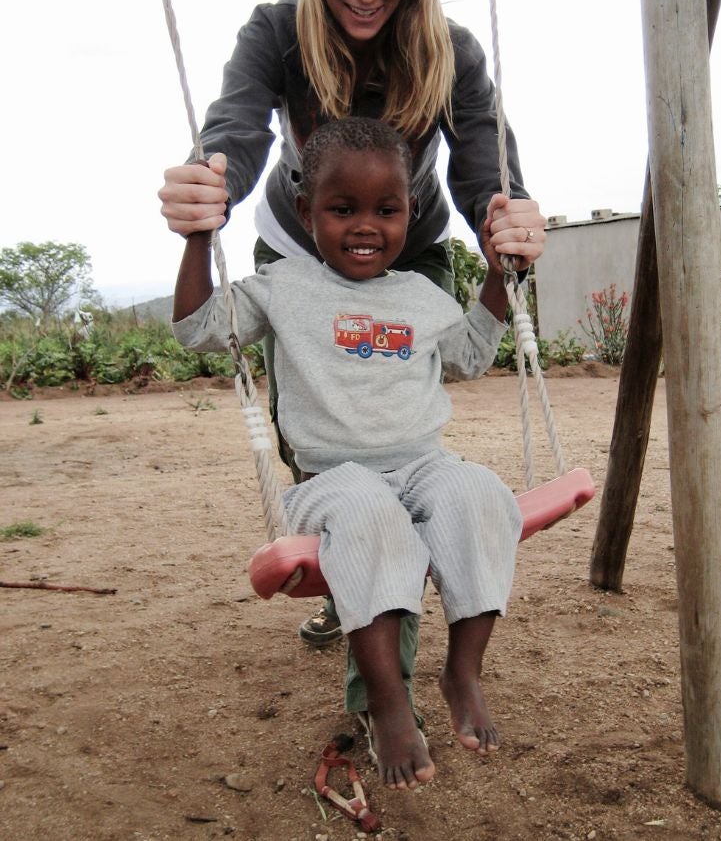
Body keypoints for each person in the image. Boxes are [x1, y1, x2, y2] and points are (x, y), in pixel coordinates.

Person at [158, 0, 544, 666]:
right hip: (296, 246)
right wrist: (209, 181)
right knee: (323, 438)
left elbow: (484, 159)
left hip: (417, 245)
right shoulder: (278, 31)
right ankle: (353, 575)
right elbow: (237, 124)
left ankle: (385, 663)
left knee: (399, 418)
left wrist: (507, 216)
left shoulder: (447, 49)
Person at [171, 117, 523, 789]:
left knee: (479, 492)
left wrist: (503, 275)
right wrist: (197, 241)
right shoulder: (285, 288)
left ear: (409, 214)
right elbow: (197, 329)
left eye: (386, 210)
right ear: (307, 214)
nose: (366, 225)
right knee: (370, 516)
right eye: (343, 209)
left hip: (422, 462)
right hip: (333, 477)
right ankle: (389, 704)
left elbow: (472, 355)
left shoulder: (421, 295)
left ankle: (463, 671)